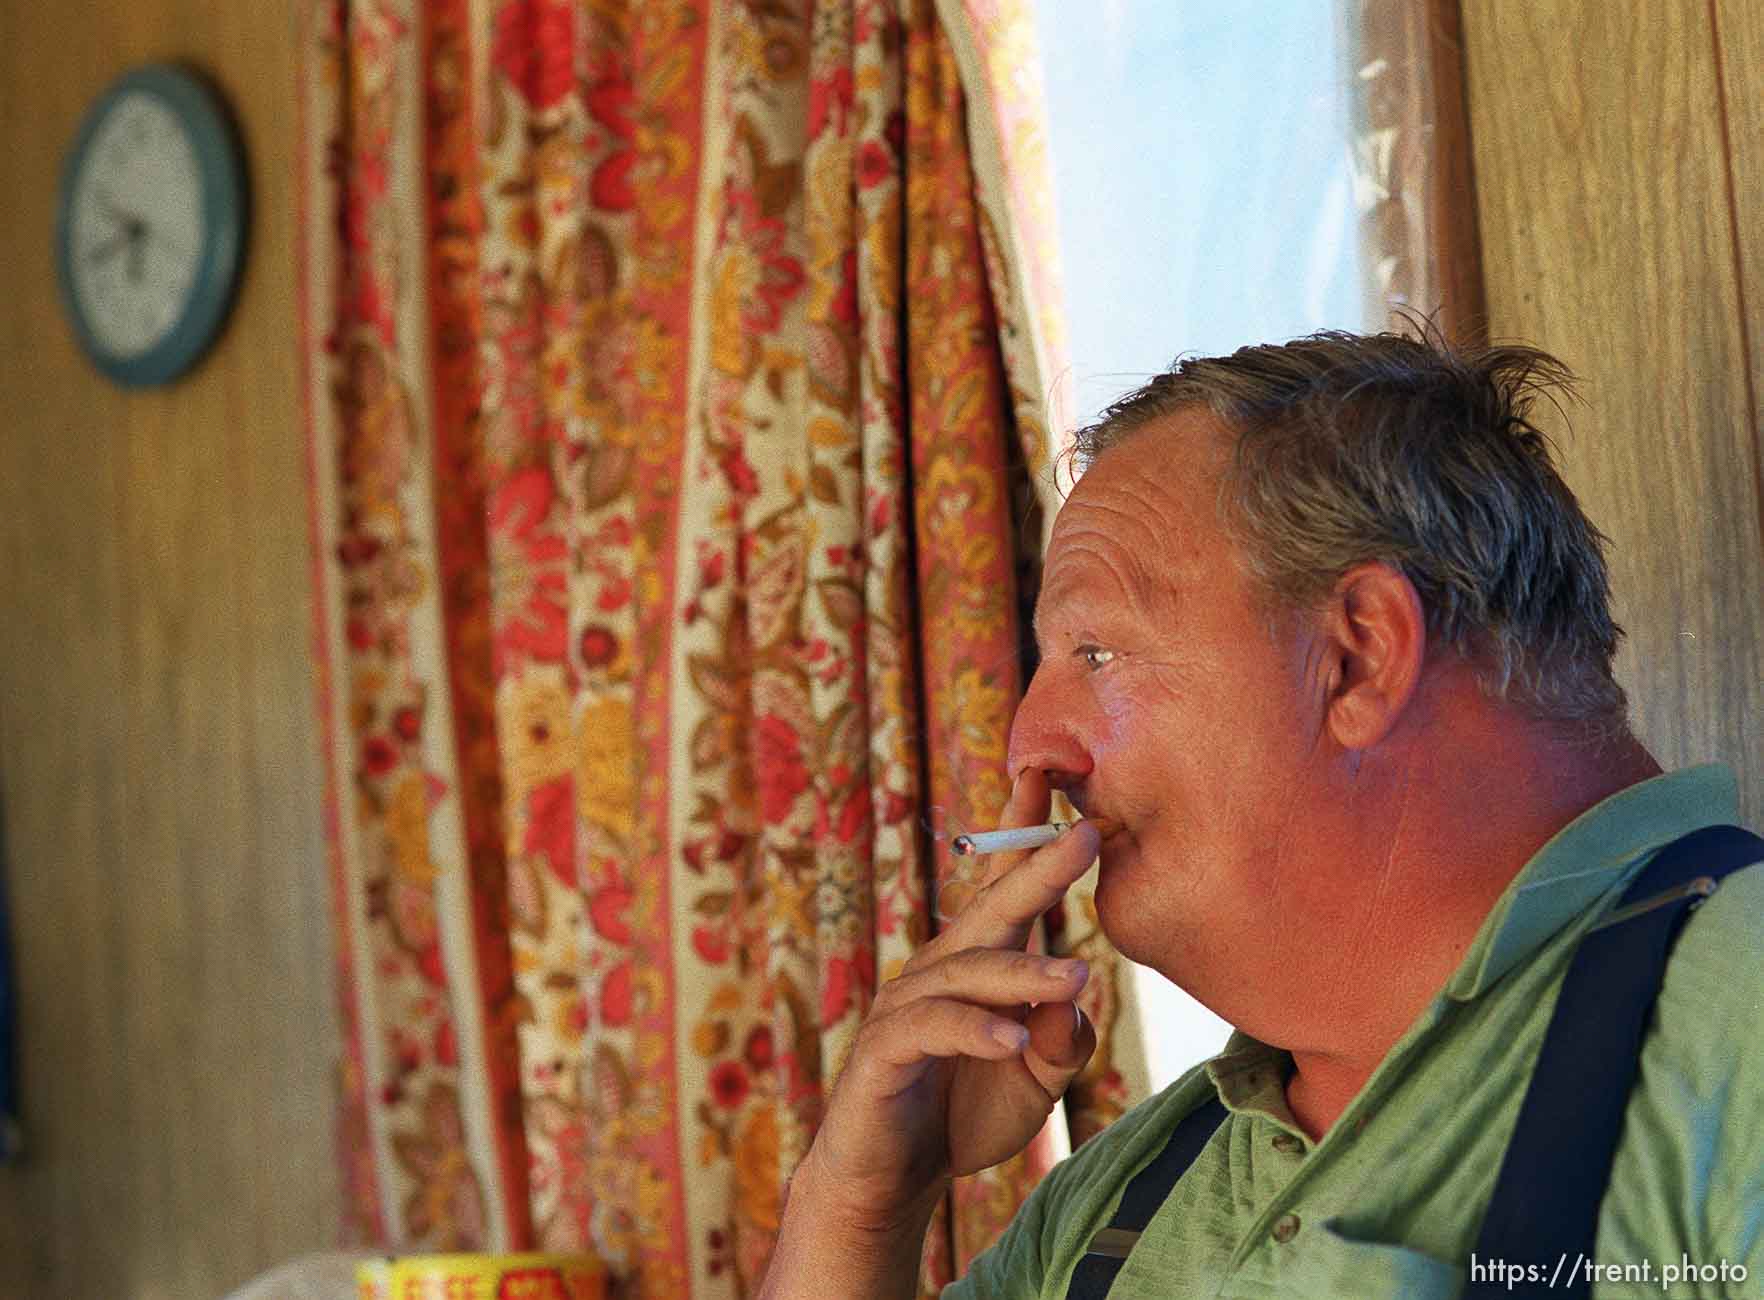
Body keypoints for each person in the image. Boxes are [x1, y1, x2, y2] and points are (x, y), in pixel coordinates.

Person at [757, 330, 1764, 1298]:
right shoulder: (1123, 1203)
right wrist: (860, 1207)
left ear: (1356, 656)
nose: (1033, 747)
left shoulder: (1738, 1037)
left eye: (1098, 653)